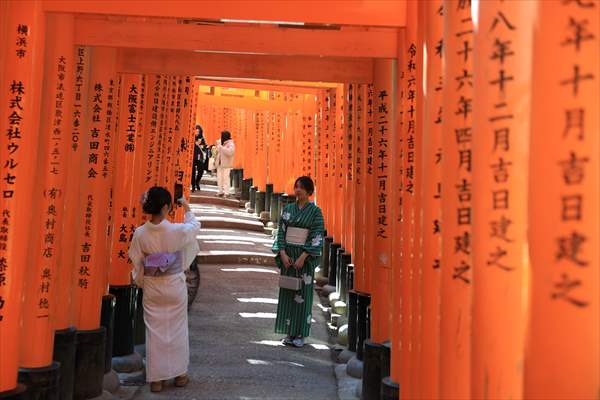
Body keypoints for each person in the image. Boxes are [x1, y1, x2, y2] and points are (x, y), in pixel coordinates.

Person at [128, 187, 200, 393]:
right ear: (167, 207)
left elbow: (137, 260)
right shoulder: (177, 231)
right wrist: (186, 207)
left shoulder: (140, 233)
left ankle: (157, 379)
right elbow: (194, 227)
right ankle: (180, 374)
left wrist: (140, 279)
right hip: (174, 285)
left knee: (155, 332)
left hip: (153, 286)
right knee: (177, 329)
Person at [272, 176, 324, 348]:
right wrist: (283, 253)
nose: (298, 190)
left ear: (309, 191)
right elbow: (281, 231)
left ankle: (300, 333)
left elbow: (316, 235)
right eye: (296, 187)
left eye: (301, 187)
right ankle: (289, 332)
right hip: (288, 255)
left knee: (303, 294)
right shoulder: (288, 209)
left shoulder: (315, 212)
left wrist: (303, 257)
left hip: (304, 257)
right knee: (287, 292)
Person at [215, 131, 235, 197]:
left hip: (226, 164)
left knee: (226, 178)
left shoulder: (231, 144)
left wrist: (222, 148)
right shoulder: (220, 142)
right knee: (219, 178)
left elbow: (230, 153)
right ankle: (220, 191)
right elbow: (217, 152)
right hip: (219, 163)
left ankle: (227, 193)